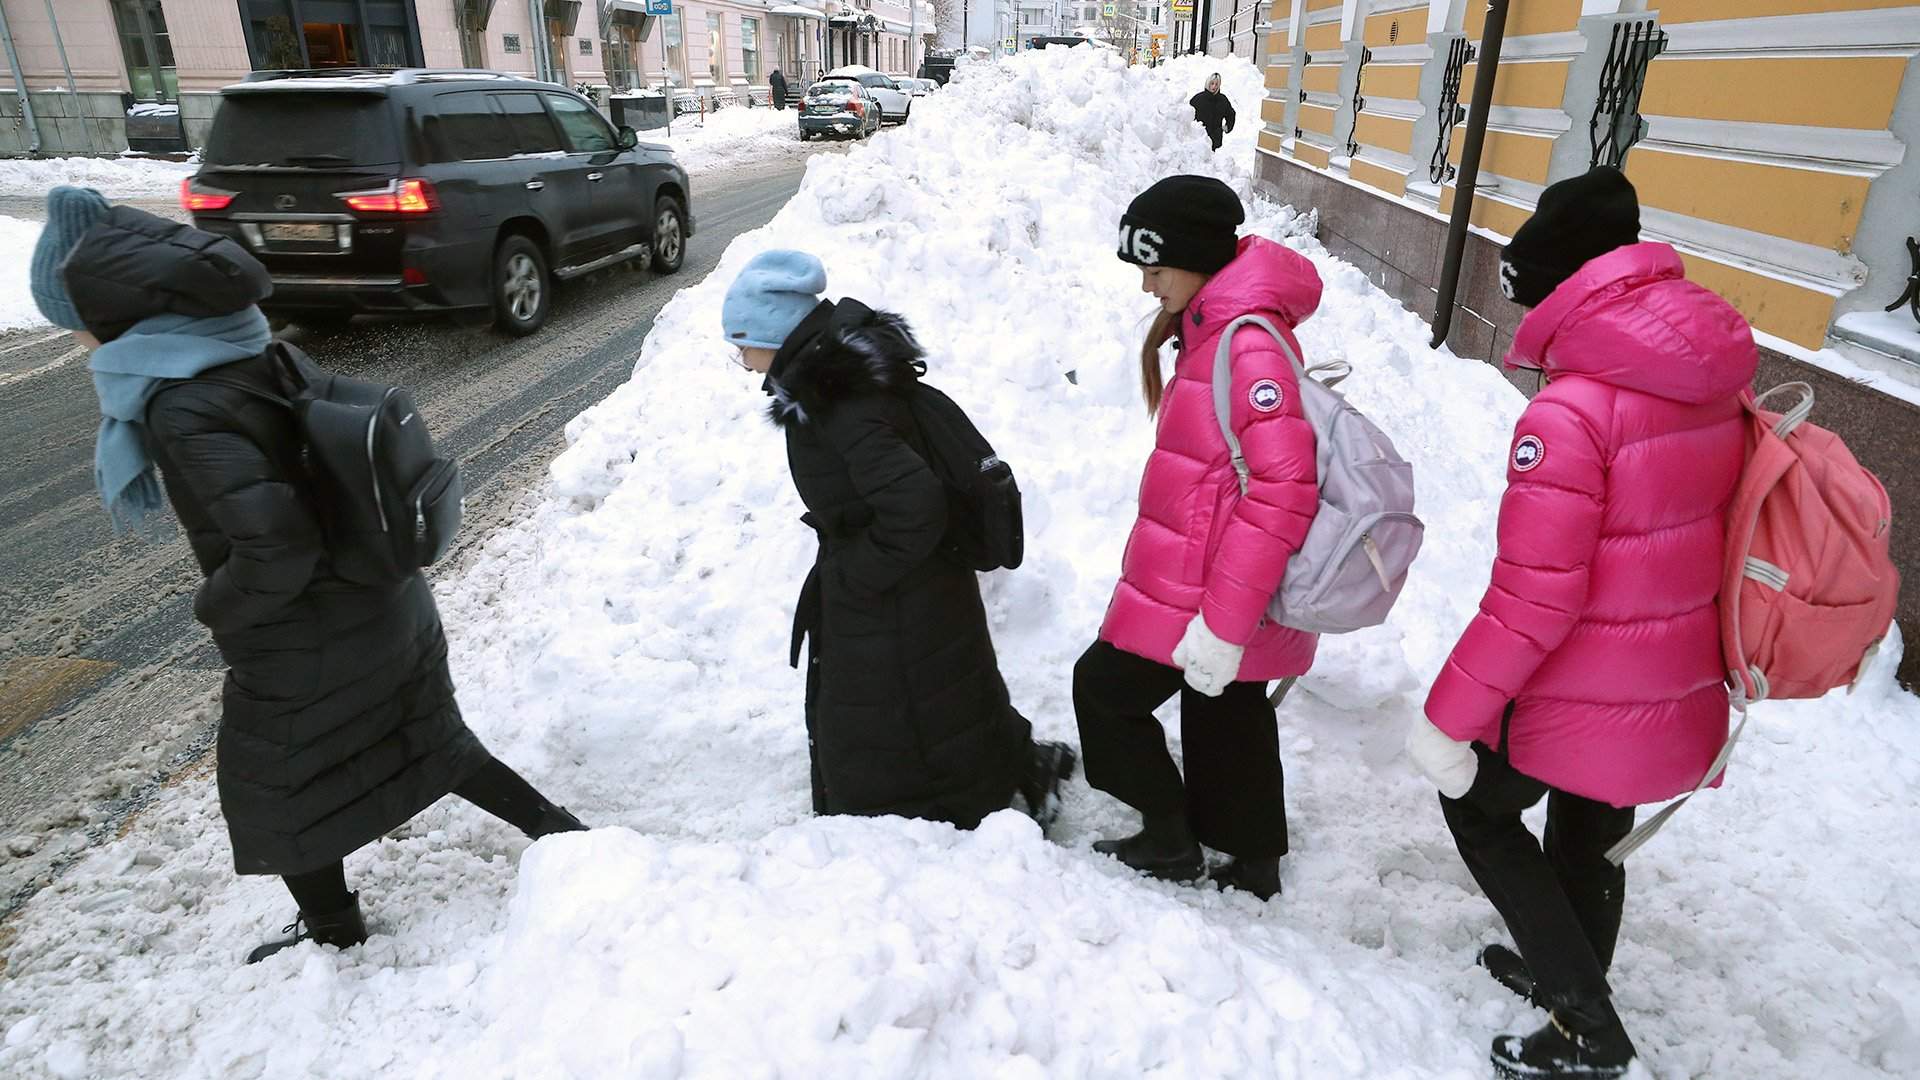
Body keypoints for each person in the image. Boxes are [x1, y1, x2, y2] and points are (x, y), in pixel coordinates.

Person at [32, 187, 589, 965]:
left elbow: (275, 544)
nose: (83, 346)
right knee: (425, 736)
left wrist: (220, 607)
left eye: (81, 326)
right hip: (380, 596)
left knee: (270, 783)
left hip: (306, 630)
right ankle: (563, 837)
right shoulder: (250, 346)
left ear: (118, 320)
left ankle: (332, 930)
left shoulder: (181, 404)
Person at [1405, 167, 1757, 1080]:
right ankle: (1569, 967)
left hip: (1582, 676)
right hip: (1670, 671)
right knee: (1588, 827)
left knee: (1478, 807)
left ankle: (1585, 1026)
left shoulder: (1571, 411)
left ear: (1560, 285)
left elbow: (1535, 595)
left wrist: (1450, 717)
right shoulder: (1707, 379)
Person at [722, 250, 1076, 831]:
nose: (741, 362)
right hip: (918, 580)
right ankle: (999, 773)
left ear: (775, 336)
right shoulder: (838, 380)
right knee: (945, 692)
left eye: (742, 344)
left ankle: (920, 823)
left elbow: (913, 503)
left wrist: (858, 572)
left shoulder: (839, 403)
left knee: (899, 713)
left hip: (897, 590)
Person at [1074, 176, 1322, 902]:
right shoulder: (1216, 329)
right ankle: (1251, 862)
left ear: (1197, 259)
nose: (1147, 286)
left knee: (1105, 691)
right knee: (1227, 712)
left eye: (1155, 268)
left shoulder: (1246, 347)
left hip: (1214, 588)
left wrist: (1225, 619)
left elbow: (1283, 490)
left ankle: (1172, 836)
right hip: (1202, 578)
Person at [1189, 73, 1236, 151]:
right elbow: (1188, 115)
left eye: (1217, 84)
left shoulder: (1222, 100)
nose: (1214, 86)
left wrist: (1227, 127)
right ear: (1208, 83)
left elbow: (1231, 114)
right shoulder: (1198, 99)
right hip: (1199, 141)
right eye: (1212, 83)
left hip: (1216, 141)